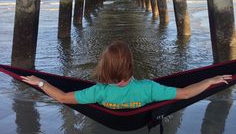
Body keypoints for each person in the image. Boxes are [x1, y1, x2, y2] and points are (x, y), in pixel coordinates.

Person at [21, 41, 232, 109]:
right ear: (131, 65)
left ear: (104, 68)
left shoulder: (99, 92)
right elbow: (186, 94)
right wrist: (210, 80)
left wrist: (41, 82)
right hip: (139, 111)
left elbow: (63, 97)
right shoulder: (149, 89)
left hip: (110, 113)